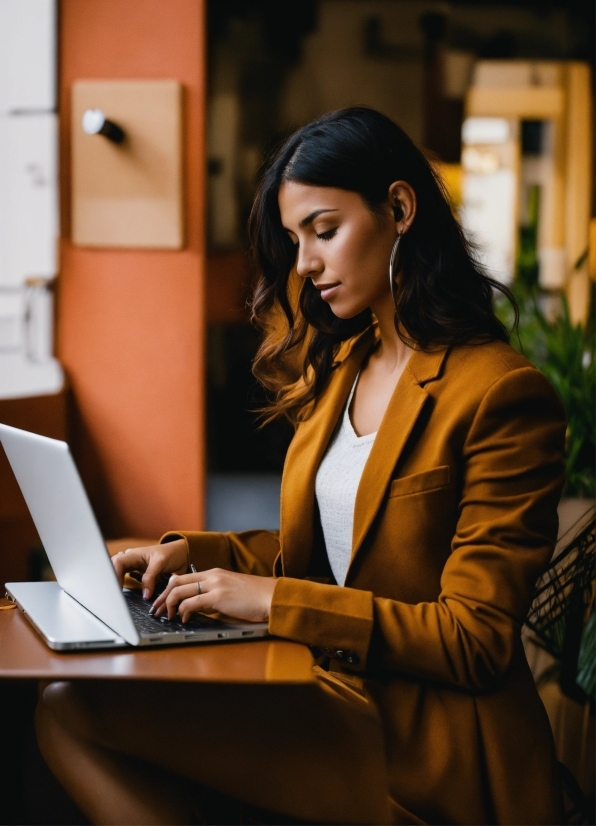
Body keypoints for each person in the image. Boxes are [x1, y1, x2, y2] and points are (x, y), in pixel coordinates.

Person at [36, 107, 567, 825]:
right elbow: (330, 561)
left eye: (324, 230)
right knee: (65, 705)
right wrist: (197, 556)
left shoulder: (500, 394)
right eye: (294, 240)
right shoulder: (347, 365)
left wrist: (269, 601)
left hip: (427, 743)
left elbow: (473, 640)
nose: (305, 262)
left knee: (75, 712)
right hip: (327, 690)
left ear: (400, 209)